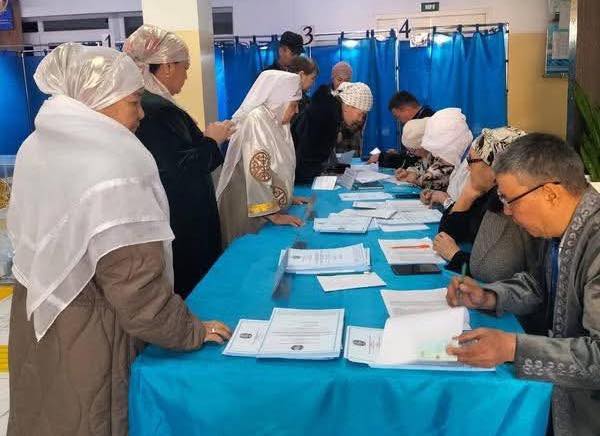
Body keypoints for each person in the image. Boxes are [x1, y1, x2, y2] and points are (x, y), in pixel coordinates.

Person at [7, 43, 231, 436]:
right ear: (98, 100)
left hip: (40, 316)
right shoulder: (112, 162)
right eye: (133, 102)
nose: (141, 114)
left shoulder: (36, 146)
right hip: (94, 335)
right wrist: (191, 331)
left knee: (47, 411)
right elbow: (135, 287)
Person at [445, 133, 600, 436]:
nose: (507, 211)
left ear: (550, 194)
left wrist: (514, 347)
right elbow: (541, 287)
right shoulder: (560, 230)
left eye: (510, 200)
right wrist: (488, 296)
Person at [124, 24, 235, 299]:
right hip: (183, 220)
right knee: (193, 287)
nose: (186, 76)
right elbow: (180, 167)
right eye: (185, 68)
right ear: (167, 67)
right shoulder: (156, 109)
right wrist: (212, 140)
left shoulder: (153, 105)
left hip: (174, 214)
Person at [432, 127, 542, 284]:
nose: (468, 167)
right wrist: (467, 196)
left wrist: (456, 256)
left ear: (495, 166)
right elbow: (446, 235)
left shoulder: (506, 206)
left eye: (471, 161)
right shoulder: (484, 193)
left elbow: (496, 271)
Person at [216, 70, 306, 246]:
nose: (297, 111)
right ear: (279, 100)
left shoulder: (276, 120)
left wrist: (286, 196)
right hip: (247, 202)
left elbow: (277, 165)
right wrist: (274, 215)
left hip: (260, 197)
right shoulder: (256, 119)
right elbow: (257, 170)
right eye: (294, 105)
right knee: (248, 253)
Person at [294, 81, 373, 183]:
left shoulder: (327, 111)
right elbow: (307, 161)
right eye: (360, 114)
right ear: (347, 106)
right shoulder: (326, 118)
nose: (360, 119)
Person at [395, 108, 472, 191]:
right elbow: (423, 169)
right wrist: (410, 173)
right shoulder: (439, 151)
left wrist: (415, 179)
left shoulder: (452, 153)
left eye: (413, 150)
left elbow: (433, 180)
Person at [369, 90, 435, 168]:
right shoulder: (427, 117)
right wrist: (400, 153)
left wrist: (382, 157)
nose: (400, 121)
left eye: (398, 117)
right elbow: (414, 154)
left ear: (406, 109)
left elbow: (414, 161)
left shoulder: (426, 125)